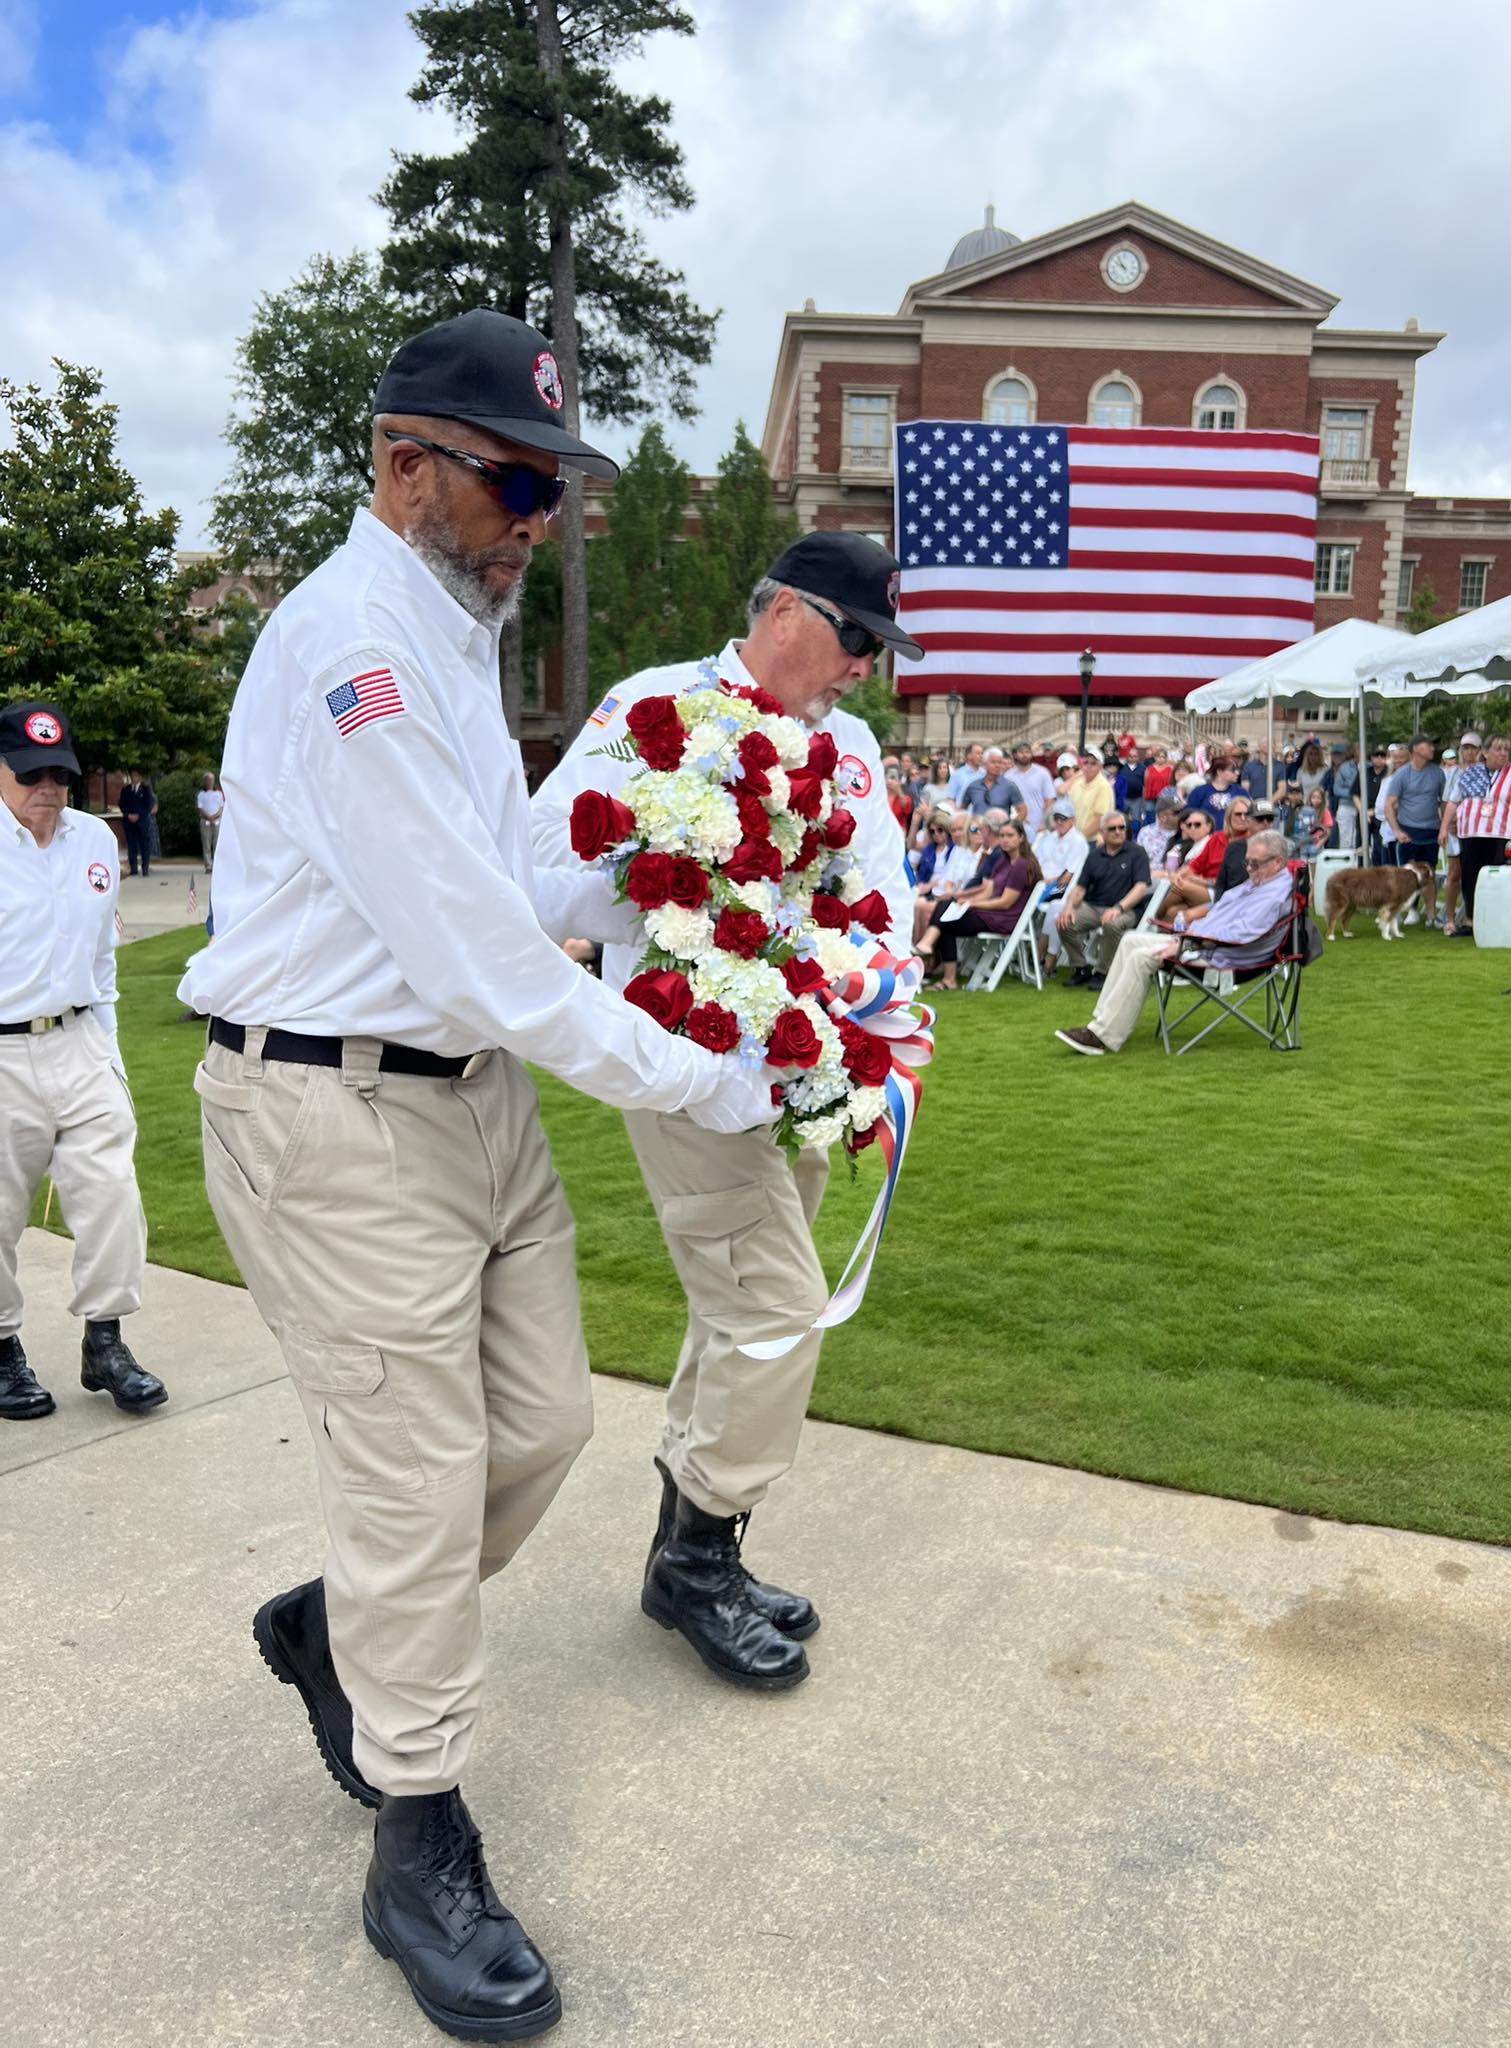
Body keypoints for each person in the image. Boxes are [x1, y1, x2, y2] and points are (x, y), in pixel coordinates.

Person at [179, 309, 775, 2043]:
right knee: (421, 1484)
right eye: (518, 483)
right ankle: (418, 1837)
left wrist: (675, 878)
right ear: (404, 466)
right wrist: (703, 1071)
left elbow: (507, 879)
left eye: (554, 486)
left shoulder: (453, 630)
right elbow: (477, 951)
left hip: (467, 1102)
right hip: (337, 1114)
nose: (544, 517)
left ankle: (342, 1629)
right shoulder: (352, 644)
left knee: (548, 1427)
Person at [533, 528, 918, 1696]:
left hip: (802, 1068)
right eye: (857, 640)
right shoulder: (651, 711)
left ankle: (692, 1548)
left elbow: (884, 891)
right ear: (788, 611)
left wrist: (861, 988)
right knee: (776, 1305)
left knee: (735, 1308)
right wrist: (686, 883)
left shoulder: (852, 746)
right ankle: (698, 1560)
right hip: (690, 1057)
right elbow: (539, 869)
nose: (865, 668)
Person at [0, 701, 163, 1424]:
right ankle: (2, 1349)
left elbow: (102, 962)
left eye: (59, 774)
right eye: (30, 773)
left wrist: (110, 1052)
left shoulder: (94, 840)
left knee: (112, 1195)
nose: (47, 788)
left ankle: (106, 1341)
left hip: (80, 1039)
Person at [1054, 830, 1296, 1056]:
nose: (1249, 869)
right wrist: (1187, 936)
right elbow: (1220, 914)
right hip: (1206, 944)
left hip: (1226, 959)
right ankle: (1101, 1020)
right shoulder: (1259, 883)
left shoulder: (1273, 896)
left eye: (1255, 863)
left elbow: (1238, 935)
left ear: (1277, 862)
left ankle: (1102, 1036)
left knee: (1142, 957)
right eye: (1247, 862)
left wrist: (1186, 944)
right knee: (1129, 940)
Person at [924, 818, 1039, 991]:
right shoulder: (1003, 860)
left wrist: (972, 904)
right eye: (1002, 836)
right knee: (946, 904)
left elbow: (1005, 903)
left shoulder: (1021, 865)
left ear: (1021, 838)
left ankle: (945, 974)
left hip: (1004, 919)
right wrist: (965, 901)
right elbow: (988, 891)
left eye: (1010, 835)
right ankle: (928, 945)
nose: (1005, 840)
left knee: (946, 923)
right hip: (992, 914)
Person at [1444, 734, 1511, 926]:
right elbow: (1453, 801)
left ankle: (1497, 919)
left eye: (1506, 750)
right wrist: (1443, 828)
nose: (1503, 753)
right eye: (1498, 749)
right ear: (1485, 752)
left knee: (1500, 876)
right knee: (1470, 876)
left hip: (1503, 834)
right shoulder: (1470, 773)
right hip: (1471, 832)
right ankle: (1470, 918)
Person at [1054, 812, 1151, 986]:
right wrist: (1068, 906)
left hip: (1127, 909)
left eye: (1121, 827)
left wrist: (1118, 908)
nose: (1118, 832)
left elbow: (1140, 888)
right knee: (1064, 921)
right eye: (1112, 829)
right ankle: (1080, 967)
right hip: (1094, 907)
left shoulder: (1137, 853)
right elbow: (1080, 888)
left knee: (1112, 924)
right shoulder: (1094, 856)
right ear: (1102, 832)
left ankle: (1102, 973)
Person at [1384, 733, 1445, 924]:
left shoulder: (1438, 773)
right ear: (1416, 749)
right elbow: (1389, 805)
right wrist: (1396, 831)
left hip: (1431, 831)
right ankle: (1405, 911)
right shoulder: (1402, 775)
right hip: (1408, 831)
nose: (1433, 749)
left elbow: (1444, 802)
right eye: (1428, 745)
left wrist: (1444, 827)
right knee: (1407, 876)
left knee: (1430, 874)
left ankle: (1431, 917)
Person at [1438, 732, 1484, 934]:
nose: (1469, 752)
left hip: (1477, 830)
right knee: (1454, 874)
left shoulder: (1486, 772)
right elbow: (1446, 801)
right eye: (1466, 748)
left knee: (1475, 874)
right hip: (1456, 830)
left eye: (1473, 748)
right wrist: (1449, 824)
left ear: (1480, 750)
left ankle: (1472, 917)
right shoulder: (1454, 773)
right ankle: (1449, 919)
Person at [910, 807, 973, 944]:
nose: (936, 834)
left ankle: (923, 949)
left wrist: (945, 890)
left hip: (954, 896)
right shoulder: (933, 849)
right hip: (937, 891)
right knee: (916, 904)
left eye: (940, 830)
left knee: (922, 905)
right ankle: (918, 948)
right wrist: (916, 822)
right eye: (932, 831)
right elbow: (948, 877)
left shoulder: (954, 848)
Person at [1158, 807, 1227, 920]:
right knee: (1173, 911)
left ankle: (1152, 917)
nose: (1192, 828)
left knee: (1178, 886)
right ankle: (1157, 925)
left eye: (1197, 825)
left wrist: (1179, 877)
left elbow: (1204, 875)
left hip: (1212, 890)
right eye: (1189, 825)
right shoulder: (1192, 846)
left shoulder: (1209, 842)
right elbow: (1189, 869)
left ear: (1208, 826)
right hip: (1196, 889)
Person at [1064, 745, 1115, 845]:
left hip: (1092, 842)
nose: (1088, 766)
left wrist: (1079, 839)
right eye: (1086, 762)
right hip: (1074, 839)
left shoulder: (1103, 786)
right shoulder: (1077, 783)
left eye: (1093, 763)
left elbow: (1099, 819)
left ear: (1100, 767)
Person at [959, 746, 1023, 816]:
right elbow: (961, 810)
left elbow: (1023, 811)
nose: (997, 765)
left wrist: (1011, 823)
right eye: (993, 762)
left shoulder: (1010, 786)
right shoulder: (973, 786)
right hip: (978, 822)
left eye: (1000, 762)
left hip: (1001, 823)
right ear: (984, 764)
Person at [1184, 752, 1242, 826]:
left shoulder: (1240, 792)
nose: (1237, 773)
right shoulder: (1199, 792)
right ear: (1219, 772)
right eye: (1232, 770)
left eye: (1237, 770)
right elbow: (1188, 816)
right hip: (1206, 832)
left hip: (1232, 832)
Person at [117, 769, 157, 878]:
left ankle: (145, 868)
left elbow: (148, 804)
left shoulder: (145, 790)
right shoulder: (126, 790)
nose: (134, 778)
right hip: (129, 822)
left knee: (144, 845)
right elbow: (122, 804)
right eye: (133, 775)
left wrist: (138, 815)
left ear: (140, 777)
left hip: (142, 821)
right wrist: (128, 815)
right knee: (131, 845)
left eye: (136, 775)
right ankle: (133, 868)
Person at [1011, 744, 1054, 838]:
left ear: (1031, 754)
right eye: (1021, 752)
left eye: (1027, 752)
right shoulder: (1008, 776)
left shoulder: (1043, 773)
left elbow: (1049, 800)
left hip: (1039, 827)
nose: (1024, 755)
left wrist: (1044, 823)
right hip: (1017, 828)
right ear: (1015, 755)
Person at [1137, 788, 1185, 871]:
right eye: (1177, 812)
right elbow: (1138, 861)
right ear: (1163, 817)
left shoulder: (1186, 833)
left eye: (1182, 811)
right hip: (1149, 876)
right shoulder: (1145, 833)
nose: (1182, 815)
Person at [195, 773, 224, 870]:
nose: (210, 782)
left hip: (217, 821)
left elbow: (221, 807)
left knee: (217, 844)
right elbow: (200, 808)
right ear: (205, 781)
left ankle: (217, 866)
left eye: (212, 780)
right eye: (208, 780)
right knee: (206, 844)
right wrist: (208, 817)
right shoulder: (201, 794)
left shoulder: (218, 793)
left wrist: (215, 816)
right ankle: (208, 865)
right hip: (205, 821)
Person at [948, 740, 987, 807]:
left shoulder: (986, 774)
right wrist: (956, 811)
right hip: (963, 812)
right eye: (978, 753)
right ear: (969, 756)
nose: (981, 756)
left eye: (982, 753)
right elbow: (950, 798)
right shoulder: (957, 775)